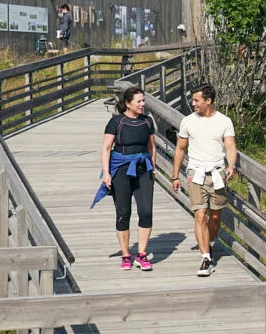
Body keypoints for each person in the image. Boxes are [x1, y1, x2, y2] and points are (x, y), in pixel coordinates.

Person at [172, 83, 238, 277]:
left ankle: (207, 242)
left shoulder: (224, 121)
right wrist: (175, 175)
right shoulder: (188, 121)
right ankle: (206, 258)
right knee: (200, 214)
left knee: (215, 217)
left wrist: (231, 165)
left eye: (196, 100)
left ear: (208, 101)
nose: (193, 104)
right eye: (193, 100)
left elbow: (230, 146)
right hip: (196, 172)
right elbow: (180, 149)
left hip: (217, 172)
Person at [99, 87, 157, 271]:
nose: (142, 104)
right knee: (124, 213)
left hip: (143, 169)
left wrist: (152, 169)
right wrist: (106, 174)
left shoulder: (147, 122)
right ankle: (126, 255)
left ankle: (141, 254)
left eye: (143, 101)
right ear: (128, 103)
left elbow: (151, 147)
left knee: (146, 212)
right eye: (139, 101)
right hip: (121, 170)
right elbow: (106, 148)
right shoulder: (116, 122)